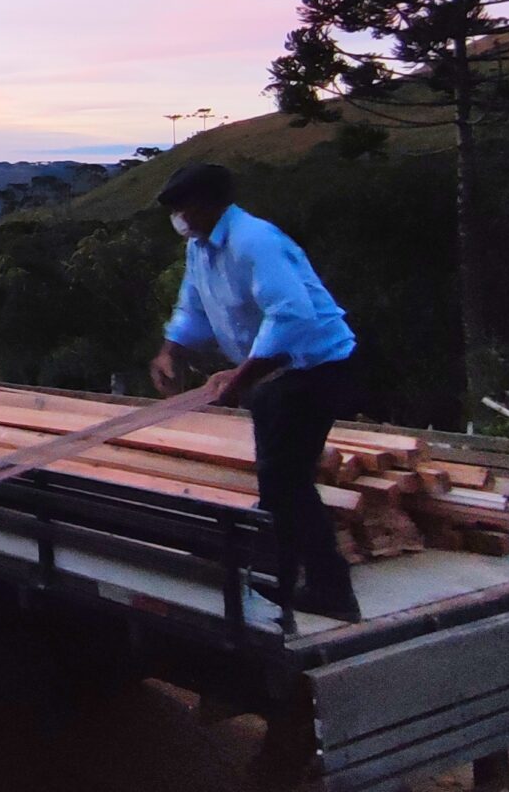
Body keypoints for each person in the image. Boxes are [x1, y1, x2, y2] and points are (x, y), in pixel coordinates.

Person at [148, 163, 363, 621]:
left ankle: (317, 589)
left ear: (208, 205)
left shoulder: (255, 241)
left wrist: (238, 378)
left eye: (182, 207)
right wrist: (171, 350)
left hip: (312, 368)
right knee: (281, 481)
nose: (179, 218)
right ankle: (294, 585)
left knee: (284, 480)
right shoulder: (201, 247)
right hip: (273, 373)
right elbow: (192, 305)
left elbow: (291, 316)